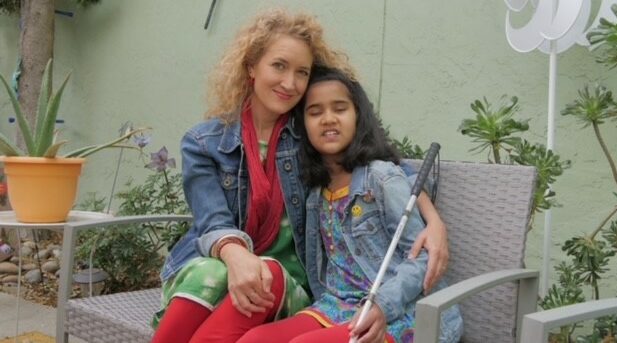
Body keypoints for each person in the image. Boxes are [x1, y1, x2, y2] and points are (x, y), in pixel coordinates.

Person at [151, 9, 450, 343]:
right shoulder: (204, 143)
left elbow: (383, 162)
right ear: (251, 66)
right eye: (278, 66)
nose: (290, 83)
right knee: (215, 270)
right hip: (221, 272)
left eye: (302, 72)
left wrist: (433, 221)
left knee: (268, 274)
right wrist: (236, 256)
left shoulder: (307, 134)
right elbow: (212, 221)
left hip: (288, 285)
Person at [235, 66, 463, 343]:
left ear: (358, 116)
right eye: (315, 112)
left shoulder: (381, 178)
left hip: (399, 311)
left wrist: (382, 304)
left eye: (340, 109)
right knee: (254, 339)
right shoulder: (315, 193)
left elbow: (423, 256)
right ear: (302, 125)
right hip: (337, 306)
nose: (328, 119)